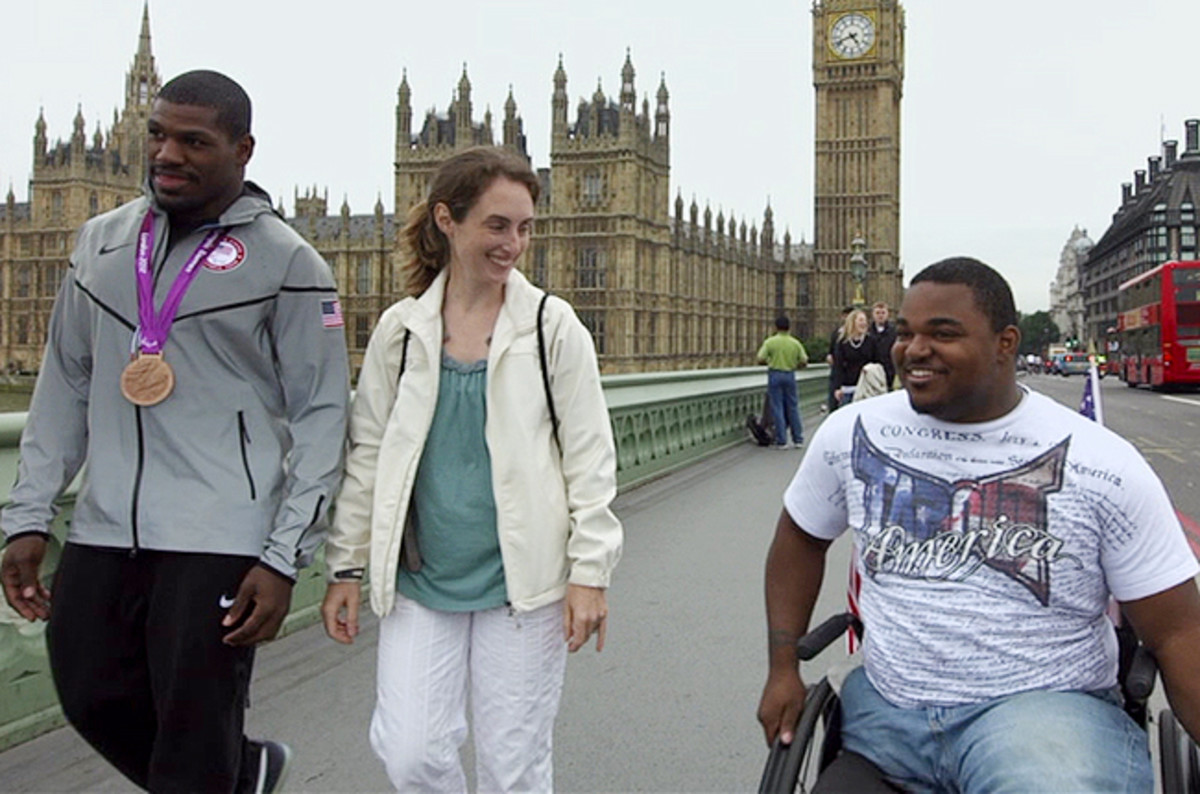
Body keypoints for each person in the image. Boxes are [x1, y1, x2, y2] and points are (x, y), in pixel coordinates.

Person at [0, 70, 350, 793]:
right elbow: (64, 383)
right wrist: (29, 513)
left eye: (193, 141)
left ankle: (218, 772)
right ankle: (243, 770)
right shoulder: (99, 241)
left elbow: (322, 414)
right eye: (158, 135)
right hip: (106, 522)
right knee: (89, 690)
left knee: (194, 733)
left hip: (221, 534)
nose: (167, 154)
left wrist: (285, 557)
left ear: (242, 149)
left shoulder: (289, 263)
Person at [757, 257, 1200, 792]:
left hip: (1044, 723)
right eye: (905, 332)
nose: (914, 350)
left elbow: (1178, 632)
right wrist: (783, 666)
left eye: (942, 334)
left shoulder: (1104, 464)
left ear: (1005, 343)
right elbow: (799, 539)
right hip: (887, 724)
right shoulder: (851, 433)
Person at [320, 146, 623, 792]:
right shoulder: (399, 333)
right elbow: (367, 456)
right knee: (410, 753)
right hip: (421, 579)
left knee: (513, 769)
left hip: (524, 584)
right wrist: (346, 564)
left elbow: (591, 460)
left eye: (524, 227)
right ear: (446, 221)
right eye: (496, 225)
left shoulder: (552, 327)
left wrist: (590, 573)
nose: (513, 242)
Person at [757, 315, 809, 449]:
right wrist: (795, 365)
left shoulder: (770, 342)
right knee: (793, 407)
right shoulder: (795, 343)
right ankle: (798, 439)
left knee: (777, 408)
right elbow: (804, 360)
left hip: (775, 374)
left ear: (775, 327)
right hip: (790, 374)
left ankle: (782, 440)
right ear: (789, 327)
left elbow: (760, 358)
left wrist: (770, 361)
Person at [830, 308, 878, 407]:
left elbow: (877, 363)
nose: (864, 323)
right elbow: (838, 366)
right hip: (847, 388)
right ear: (852, 322)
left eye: (865, 320)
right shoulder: (842, 343)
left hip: (866, 388)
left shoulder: (871, 341)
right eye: (860, 320)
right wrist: (837, 388)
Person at [825, 305, 853, 412]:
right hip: (837, 373)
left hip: (851, 378)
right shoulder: (836, 333)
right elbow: (831, 351)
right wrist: (829, 356)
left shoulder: (861, 335)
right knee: (834, 404)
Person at [866, 300, 897, 388]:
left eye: (883, 313)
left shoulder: (894, 332)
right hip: (872, 372)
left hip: (890, 371)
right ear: (873, 314)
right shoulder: (867, 332)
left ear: (887, 314)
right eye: (878, 313)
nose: (880, 315)